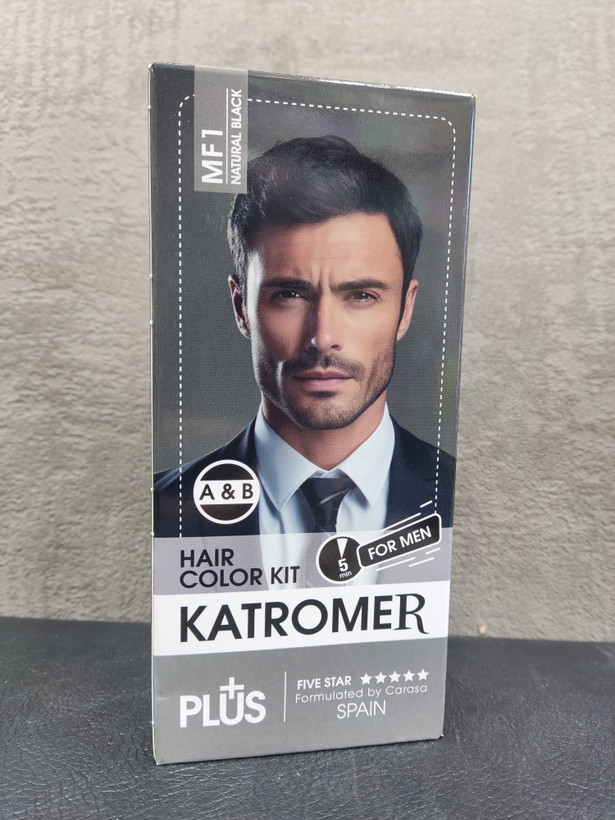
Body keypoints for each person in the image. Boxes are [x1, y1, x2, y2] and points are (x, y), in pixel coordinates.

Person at [154, 136, 455, 542]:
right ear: (241, 307)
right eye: (289, 295)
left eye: (361, 296)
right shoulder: (163, 513)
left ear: (405, 309)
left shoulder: (465, 500)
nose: (323, 338)